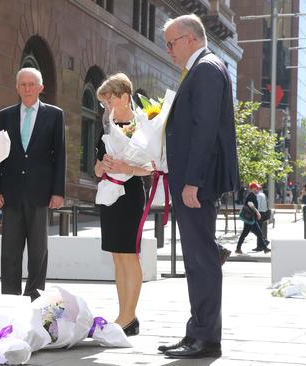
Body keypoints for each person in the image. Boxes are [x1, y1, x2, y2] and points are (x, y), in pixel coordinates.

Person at [158, 14, 238, 359]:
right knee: (196, 259)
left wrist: (193, 181)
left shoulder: (206, 68)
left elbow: (205, 130)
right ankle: (197, 332)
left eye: (171, 42)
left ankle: (205, 338)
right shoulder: (203, 68)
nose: (169, 50)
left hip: (196, 183)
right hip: (191, 180)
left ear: (190, 38)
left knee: (201, 260)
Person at [0, 67, 66, 300]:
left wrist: (58, 192)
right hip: (11, 192)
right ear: (17, 88)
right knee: (10, 252)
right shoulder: (5, 115)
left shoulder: (54, 115)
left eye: (31, 84)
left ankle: (34, 297)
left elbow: (60, 155)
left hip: (40, 193)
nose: (27, 88)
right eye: (22, 84)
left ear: (41, 87)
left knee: (38, 251)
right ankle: (10, 299)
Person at [94, 73, 152, 336]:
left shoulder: (143, 125)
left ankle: (129, 316)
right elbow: (95, 169)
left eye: (108, 100)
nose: (105, 106)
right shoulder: (107, 126)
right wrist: (103, 164)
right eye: (103, 101)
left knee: (130, 255)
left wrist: (126, 166)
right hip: (109, 193)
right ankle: (124, 315)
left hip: (130, 196)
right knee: (118, 257)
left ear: (124, 97)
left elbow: (150, 168)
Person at [236, 182, 270, 254]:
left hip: (250, 219)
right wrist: (257, 212)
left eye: (258, 188)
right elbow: (250, 204)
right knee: (258, 233)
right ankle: (265, 248)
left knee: (247, 234)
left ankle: (238, 248)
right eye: (256, 188)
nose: (257, 189)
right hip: (250, 219)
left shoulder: (251, 195)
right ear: (252, 188)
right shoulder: (251, 195)